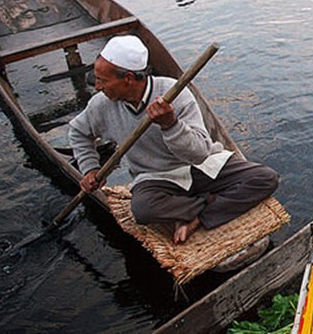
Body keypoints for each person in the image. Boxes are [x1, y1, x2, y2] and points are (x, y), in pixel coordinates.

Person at [69, 35, 280, 244]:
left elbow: (200, 154)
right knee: (143, 210)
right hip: (157, 177)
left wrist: (171, 125)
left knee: (265, 178)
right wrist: (90, 168)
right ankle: (207, 204)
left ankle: (196, 215)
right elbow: (78, 132)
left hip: (199, 167)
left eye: (102, 81)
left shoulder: (176, 94)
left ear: (129, 78)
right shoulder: (101, 105)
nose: (97, 86)